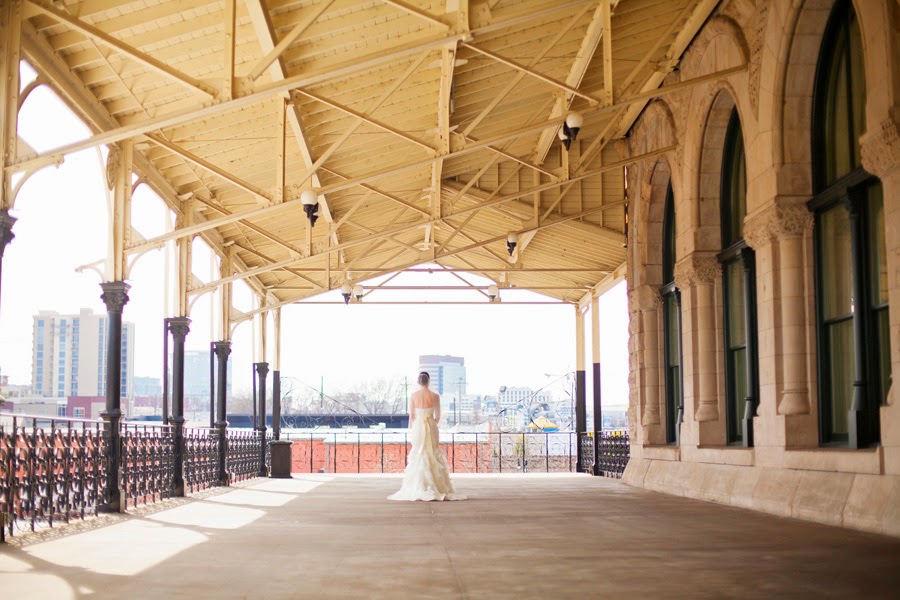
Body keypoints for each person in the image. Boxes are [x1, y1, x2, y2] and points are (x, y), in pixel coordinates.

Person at [388, 371, 466, 502]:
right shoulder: (435, 396)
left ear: (418, 382)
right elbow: (438, 416)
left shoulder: (413, 396)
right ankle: (439, 485)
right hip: (431, 426)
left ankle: (417, 485)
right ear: (429, 381)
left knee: (419, 452)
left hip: (419, 426)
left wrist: (419, 424)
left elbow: (412, 416)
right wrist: (431, 423)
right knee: (432, 451)